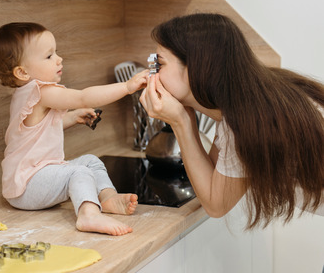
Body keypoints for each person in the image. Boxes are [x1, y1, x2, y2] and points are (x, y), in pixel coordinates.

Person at [139, 13, 324, 229]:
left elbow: (217, 204)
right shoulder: (244, 102)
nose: (151, 75)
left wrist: (180, 121)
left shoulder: (243, 121)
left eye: (158, 64)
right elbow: (213, 178)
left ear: (196, 68)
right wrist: (184, 117)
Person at [0, 22, 147, 236]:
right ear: (23, 72)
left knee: (90, 161)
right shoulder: (41, 92)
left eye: (56, 52)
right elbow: (82, 97)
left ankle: (106, 198)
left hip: (33, 180)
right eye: (49, 56)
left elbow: (40, 132)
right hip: (27, 187)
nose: (59, 59)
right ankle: (88, 214)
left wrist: (72, 117)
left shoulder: (27, 95)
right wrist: (127, 87)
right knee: (78, 171)